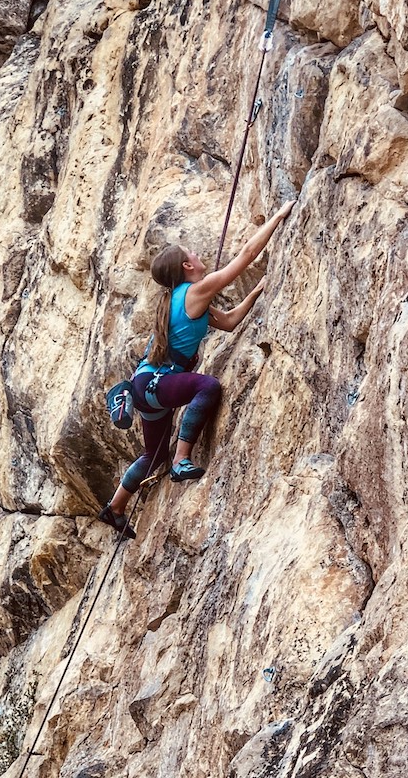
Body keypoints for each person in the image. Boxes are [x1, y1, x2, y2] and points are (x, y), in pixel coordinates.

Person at [98, 200, 295, 538]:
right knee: (208, 387)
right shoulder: (195, 291)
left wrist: (257, 293)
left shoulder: (180, 299)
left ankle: (115, 507)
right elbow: (246, 255)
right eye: (193, 253)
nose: (200, 255)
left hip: (146, 384)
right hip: (159, 383)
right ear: (188, 265)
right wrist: (278, 216)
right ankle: (181, 461)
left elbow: (231, 322)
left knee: (151, 454)